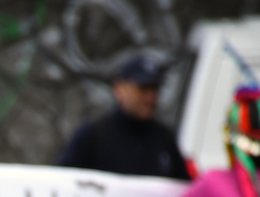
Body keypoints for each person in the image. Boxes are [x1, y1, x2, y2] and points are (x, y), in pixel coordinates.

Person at [57, 52, 192, 180]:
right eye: (143, 89)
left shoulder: (165, 140)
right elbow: (61, 181)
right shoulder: (93, 136)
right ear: (119, 89)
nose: (151, 98)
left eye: (155, 89)